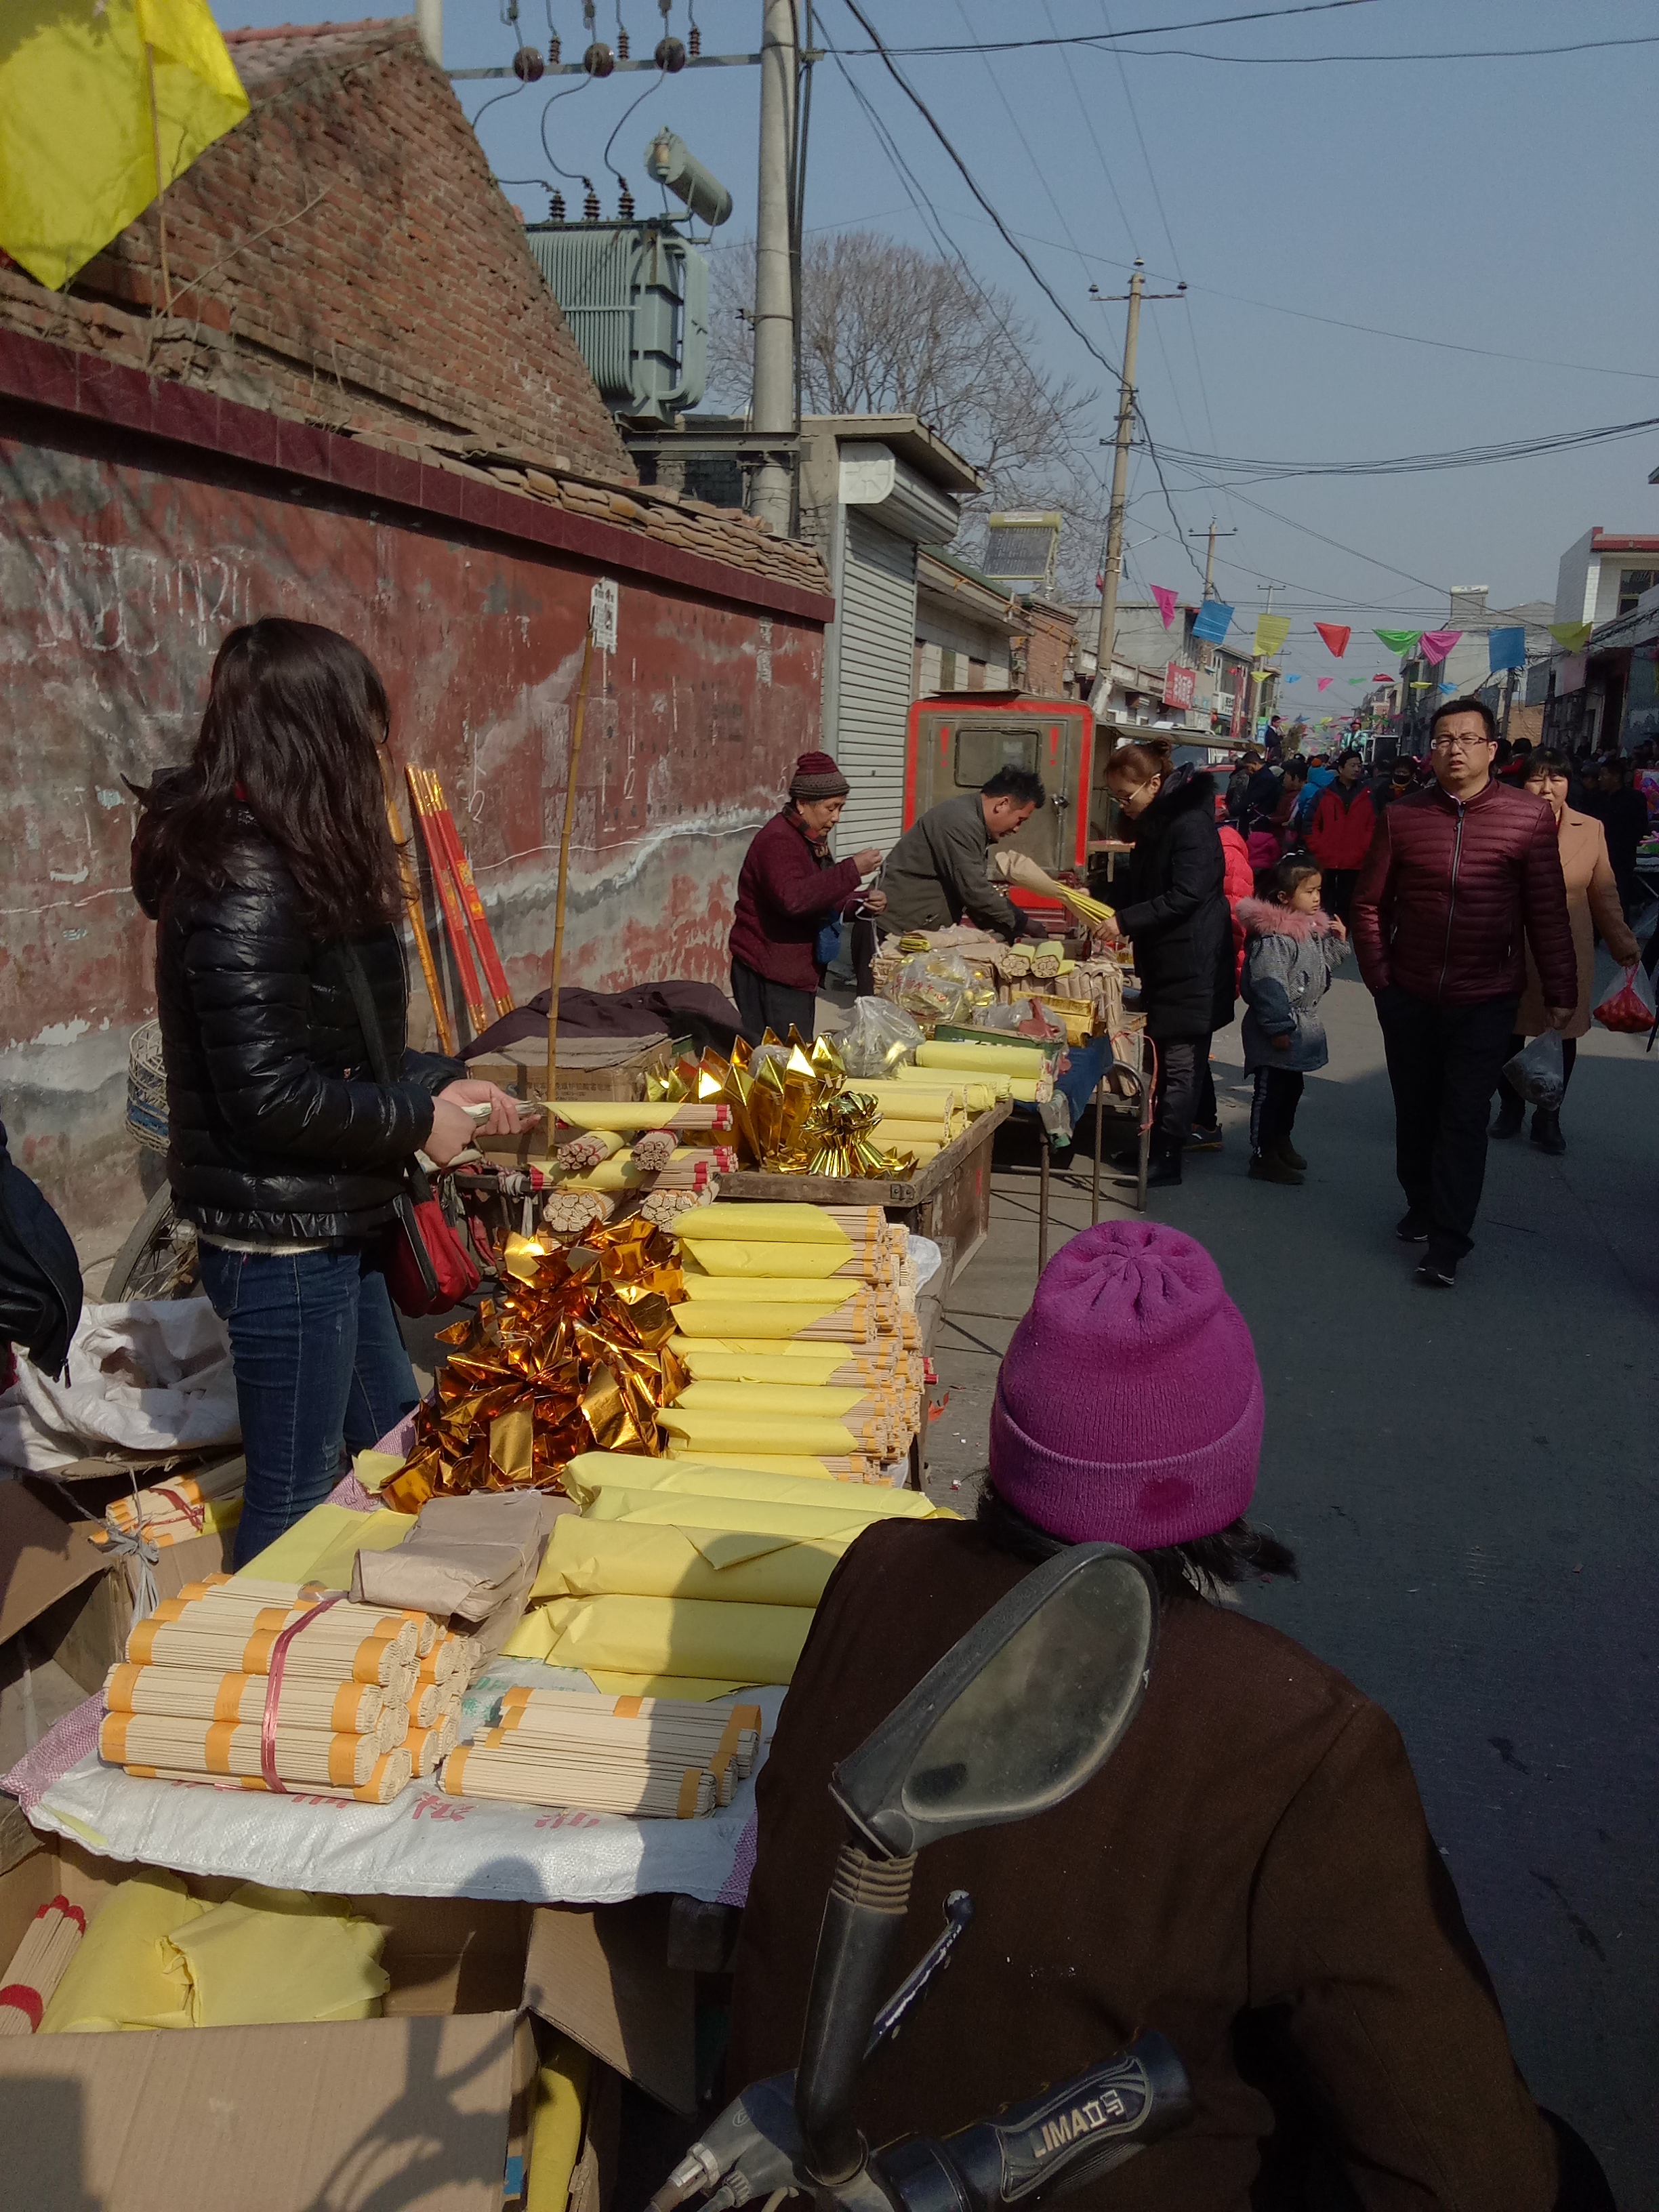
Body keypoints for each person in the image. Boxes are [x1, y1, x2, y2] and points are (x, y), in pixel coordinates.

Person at [728, 1221, 1611, 2211]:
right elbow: (1467, 2174)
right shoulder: (1302, 1739)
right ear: (1227, 1470)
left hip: (789, 2167)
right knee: (1559, 2173)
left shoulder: (876, 1570)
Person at [130, 620, 529, 1565]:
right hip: (280, 1244)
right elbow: (267, 1094)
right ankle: (263, 1680)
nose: (380, 755)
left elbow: (343, 1044)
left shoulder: (294, 855)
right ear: (313, 736)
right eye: (364, 731)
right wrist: (416, 1121)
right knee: (297, 1495)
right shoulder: (243, 879)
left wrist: (442, 1081)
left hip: (333, 1219)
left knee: (393, 1435)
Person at [1351, 698, 1575, 1290]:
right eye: (1445, 738)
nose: (1455, 748)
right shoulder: (1404, 817)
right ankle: (1421, 1202)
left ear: (1492, 750)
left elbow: (1547, 912)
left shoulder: (1526, 818)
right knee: (1416, 1112)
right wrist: (1381, 981)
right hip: (1412, 993)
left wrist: (1561, 989)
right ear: (1431, 750)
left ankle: (1448, 1241)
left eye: (1468, 739)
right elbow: (1370, 903)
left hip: (1487, 997)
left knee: (1463, 1118)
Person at [1097, 741, 1233, 1187]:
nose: (1122, 806)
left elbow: (1185, 895)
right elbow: (1144, 887)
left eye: (1126, 797)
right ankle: (1152, 1142)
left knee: (1180, 1062)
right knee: (1163, 1060)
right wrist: (1097, 897)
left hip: (1193, 958)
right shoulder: (1158, 823)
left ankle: (1169, 1154)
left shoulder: (1189, 824)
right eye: (1115, 798)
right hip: (1166, 958)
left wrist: (1125, 920)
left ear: (1155, 783)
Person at [1492, 752, 1639, 1153]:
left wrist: (1623, 942)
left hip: (1569, 946)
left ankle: (1549, 1115)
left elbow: (1603, 890)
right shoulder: (1503, 823)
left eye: (1557, 779)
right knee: (1509, 1031)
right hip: (1510, 944)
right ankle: (1510, 1108)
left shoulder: (1589, 829)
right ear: (1521, 785)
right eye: (1537, 780)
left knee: (1564, 1033)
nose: (1546, 789)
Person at [726, 752, 885, 1044]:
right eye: (830, 808)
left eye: (840, 808)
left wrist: (859, 903)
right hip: (769, 973)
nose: (836, 817)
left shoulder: (811, 839)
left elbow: (820, 893)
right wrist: (851, 870)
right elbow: (794, 899)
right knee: (782, 1064)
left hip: (795, 973)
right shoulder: (779, 841)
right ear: (802, 804)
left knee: (792, 1058)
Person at [1238, 855, 1349, 1185]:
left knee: (1291, 1090)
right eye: (1309, 891)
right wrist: (1278, 1027)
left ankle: (1280, 1141)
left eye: (1319, 891)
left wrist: (1339, 943)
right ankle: (1262, 1154)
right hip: (1279, 1028)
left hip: (1298, 1025)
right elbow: (1267, 985)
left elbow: (1320, 969)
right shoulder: (1274, 939)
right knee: (1270, 1093)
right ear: (1284, 898)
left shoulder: (1309, 931)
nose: (1317, 898)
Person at [873, 766, 1048, 943]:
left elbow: (970, 898)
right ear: (1002, 804)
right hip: (890, 931)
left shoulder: (974, 824)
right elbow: (974, 890)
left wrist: (1011, 933)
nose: (1017, 829)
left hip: (913, 933)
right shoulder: (960, 822)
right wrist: (1025, 923)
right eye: (1020, 820)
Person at [1305, 747, 1376, 925]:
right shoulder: (1324, 794)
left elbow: (1373, 826)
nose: (1356, 769)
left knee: (1347, 905)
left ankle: (1342, 940)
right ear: (1341, 768)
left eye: (1359, 766)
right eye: (1352, 765)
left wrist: (1364, 848)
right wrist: (1318, 847)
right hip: (1326, 859)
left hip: (1355, 861)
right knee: (1323, 902)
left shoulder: (1367, 795)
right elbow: (1309, 824)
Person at [1583, 758, 1648, 926]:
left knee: (1620, 897)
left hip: (1622, 858)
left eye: (1604, 775)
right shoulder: (1595, 798)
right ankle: (1594, 932)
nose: (1600, 779)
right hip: (1595, 856)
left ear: (1616, 777)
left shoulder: (1634, 799)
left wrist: (1621, 846)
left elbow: (1640, 828)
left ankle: (1621, 935)